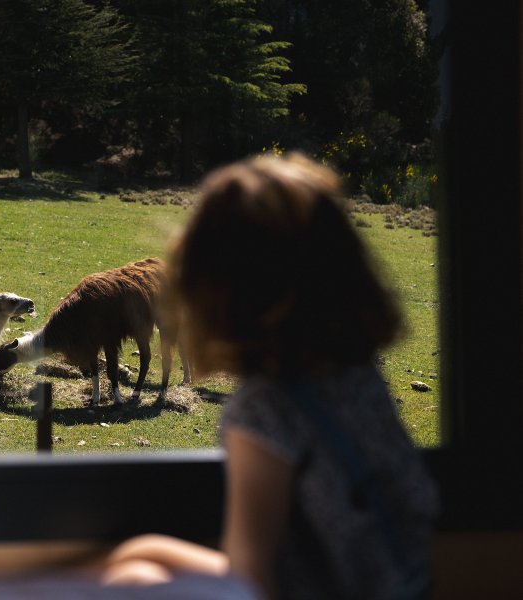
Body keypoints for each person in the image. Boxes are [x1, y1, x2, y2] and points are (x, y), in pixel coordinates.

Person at [102, 153, 439, 600]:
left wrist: (142, 556)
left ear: (218, 292)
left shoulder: (265, 410)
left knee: (132, 578)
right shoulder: (357, 372)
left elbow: (250, 578)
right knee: (142, 558)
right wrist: (150, 551)